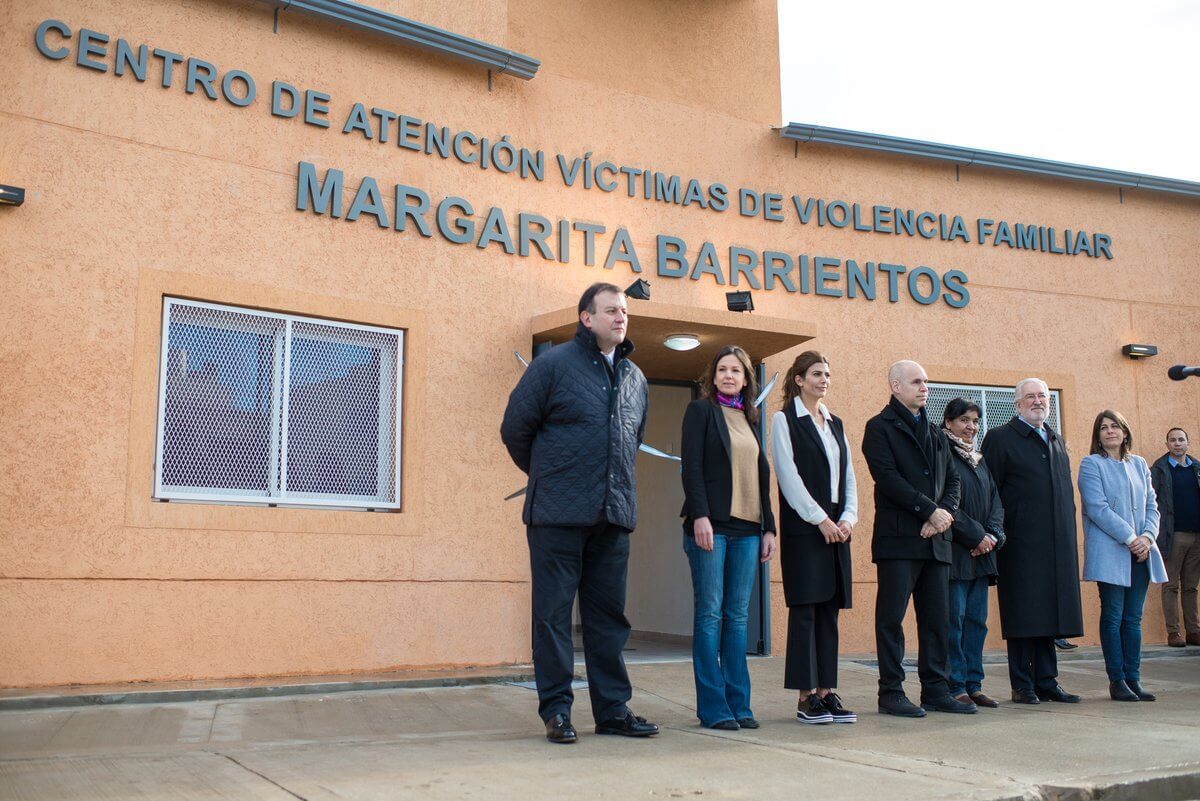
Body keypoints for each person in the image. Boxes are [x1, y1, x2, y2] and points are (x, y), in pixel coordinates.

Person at [500, 282, 658, 744]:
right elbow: (515, 429)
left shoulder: (636, 378)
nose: (620, 318)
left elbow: (631, 442)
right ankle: (556, 711)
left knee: (609, 618)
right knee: (551, 617)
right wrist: (552, 476)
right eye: (610, 310)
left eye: (624, 311)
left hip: (613, 517)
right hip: (556, 516)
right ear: (586, 318)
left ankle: (613, 710)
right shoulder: (552, 366)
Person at [861, 360, 973, 717]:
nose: (925, 387)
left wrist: (943, 516)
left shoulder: (938, 434)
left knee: (937, 621)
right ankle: (891, 692)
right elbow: (888, 478)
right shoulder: (879, 427)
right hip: (898, 540)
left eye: (926, 381)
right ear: (896, 385)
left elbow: (953, 481)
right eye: (916, 381)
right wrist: (928, 511)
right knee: (891, 620)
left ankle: (936, 690)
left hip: (936, 541)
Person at [680, 345, 778, 730]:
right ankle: (714, 707)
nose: (728, 375)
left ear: (745, 379)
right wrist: (700, 515)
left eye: (736, 370)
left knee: (737, 618)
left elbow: (761, 478)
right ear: (713, 375)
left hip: (748, 530)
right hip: (712, 526)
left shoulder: (750, 417)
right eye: (722, 369)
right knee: (709, 616)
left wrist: (769, 527)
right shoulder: (701, 411)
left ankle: (740, 705)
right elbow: (693, 467)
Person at [980, 378, 1083, 705]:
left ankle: (1047, 681)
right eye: (1030, 397)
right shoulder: (1000, 438)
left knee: (1049, 614)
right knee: (1024, 613)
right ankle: (1022, 684)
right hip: (1019, 542)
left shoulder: (1053, 438)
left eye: (1042, 396)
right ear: (1017, 403)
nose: (1038, 401)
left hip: (1056, 544)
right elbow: (989, 490)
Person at [771, 350, 860, 724]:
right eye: (816, 374)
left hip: (837, 528)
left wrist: (849, 518)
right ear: (799, 379)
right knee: (806, 611)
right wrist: (820, 519)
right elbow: (788, 477)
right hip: (806, 528)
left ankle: (826, 690)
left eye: (827, 374)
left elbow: (849, 476)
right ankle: (806, 697)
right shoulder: (784, 419)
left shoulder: (834, 422)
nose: (824, 380)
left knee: (829, 612)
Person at [1079, 410, 1166, 701]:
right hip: (1112, 552)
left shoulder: (1139, 464)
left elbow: (1152, 505)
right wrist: (1131, 538)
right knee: (1114, 616)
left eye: (1115, 426)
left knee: (1133, 619)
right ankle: (1117, 681)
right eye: (1103, 428)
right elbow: (1097, 508)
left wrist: (1148, 537)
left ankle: (1134, 679)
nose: (1110, 431)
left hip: (1142, 553)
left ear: (1125, 432)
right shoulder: (1091, 464)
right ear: (1098, 436)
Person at [941, 399, 1006, 708]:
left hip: (983, 556)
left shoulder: (980, 460)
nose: (971, 427)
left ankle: (974, 683)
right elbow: (947, 503)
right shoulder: (945, 455)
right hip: (956, 554)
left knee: (977, 623)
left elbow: (995, 501)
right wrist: (976, 535)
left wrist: (992, 535)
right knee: (954, 622)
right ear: (949, 423)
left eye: (975, 421)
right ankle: (955, 685)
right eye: (964, 420)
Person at [1151, 427, 1200, 647]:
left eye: (1181, 439)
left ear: (1188, 442)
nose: (1177, 443)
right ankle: (1174, 632)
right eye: (1173, 440)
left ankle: (1193, 631)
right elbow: (1151, 502)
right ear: (1167, 444)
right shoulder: (1160, 470)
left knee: (1191, 586)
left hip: (1197, 536)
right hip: (1173, 536)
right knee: (1170, 585)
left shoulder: (1197, 468)